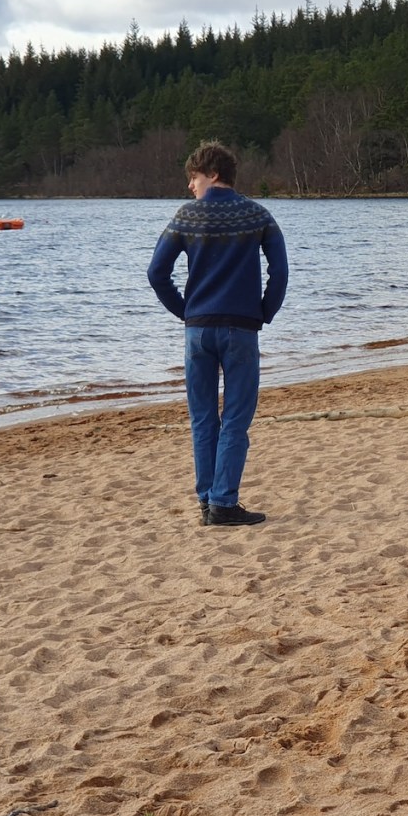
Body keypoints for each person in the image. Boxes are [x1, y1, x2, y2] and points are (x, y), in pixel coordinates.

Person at [148, 140, 288, 526]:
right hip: (242, 330)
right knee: (236, 418)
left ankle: (207, 500)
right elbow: (280, 272)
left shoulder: (185, 217)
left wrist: (185, 312)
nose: (190, 187)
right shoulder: (258, 215)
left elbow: (156, 273)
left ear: (211, 174)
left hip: (198, 332)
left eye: (193, 178)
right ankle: (223, 503)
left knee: (203, 418)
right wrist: (265, 312)